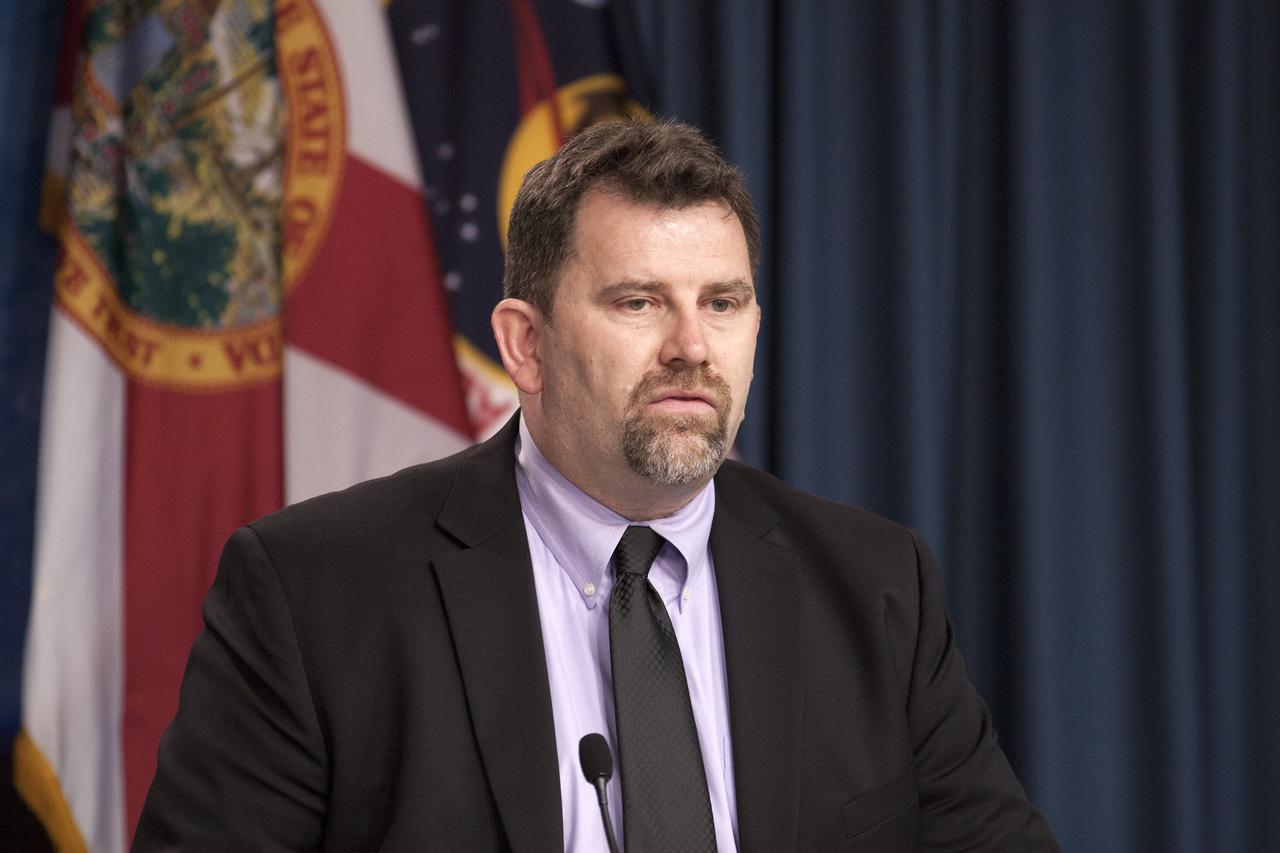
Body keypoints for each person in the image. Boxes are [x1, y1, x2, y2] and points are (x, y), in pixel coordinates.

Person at [134, 120, 1058, 852]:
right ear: (525, 344)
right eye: (638, 302)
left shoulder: (875, 583)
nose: (692, 346)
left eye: (723, 303)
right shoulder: (315, 591)